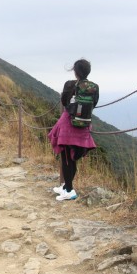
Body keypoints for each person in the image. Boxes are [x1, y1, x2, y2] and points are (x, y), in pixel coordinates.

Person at [48, 59, 99, 201]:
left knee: (66, 157)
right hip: (84, 125)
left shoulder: (70, 85)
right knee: (73, 157)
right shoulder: (95, 87)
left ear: (75, 72)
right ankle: (66, 186)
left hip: (68, 126)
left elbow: (64, 102)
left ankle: (69, 191)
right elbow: (94, 103)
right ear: (88, 71)